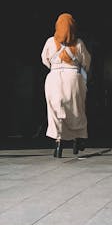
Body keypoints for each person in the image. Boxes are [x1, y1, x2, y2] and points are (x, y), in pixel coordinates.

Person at [41, 12, 91, 158]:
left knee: (56, 111)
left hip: (53, 79)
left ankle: (58, 143)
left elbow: (45, 59)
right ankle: (77, 139)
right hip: (73, 79)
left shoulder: (50, 42)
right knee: (76, 110)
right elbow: (86, 62)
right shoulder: (79, 43)